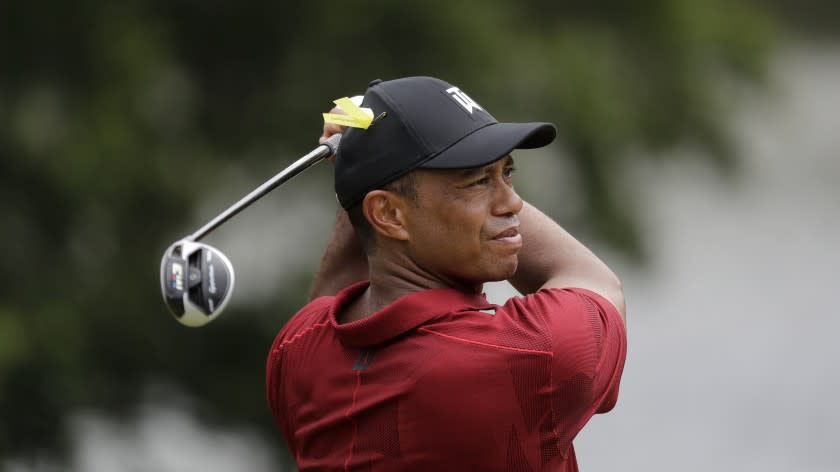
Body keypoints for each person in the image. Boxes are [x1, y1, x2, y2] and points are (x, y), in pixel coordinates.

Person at [266, 76, 627, 471]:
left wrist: (360, 167)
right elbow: (592, 279)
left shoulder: (295, 350)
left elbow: (339, 283)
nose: (513, 202)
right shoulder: (529, 356)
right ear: (388, 214)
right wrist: (360, 167)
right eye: (478, 181)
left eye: (507, 173)